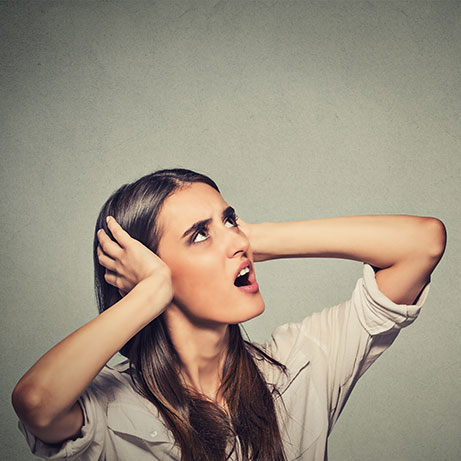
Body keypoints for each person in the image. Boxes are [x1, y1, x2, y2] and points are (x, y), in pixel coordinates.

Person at [12, 168, 446, 461]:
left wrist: (253, 240)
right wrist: (151, 295)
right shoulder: (108, 411)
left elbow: (422, 243)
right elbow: (37, 402)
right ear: (149, 271)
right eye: (199, 234)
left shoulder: (302, 364)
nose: (234, 241)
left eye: (230, 219)